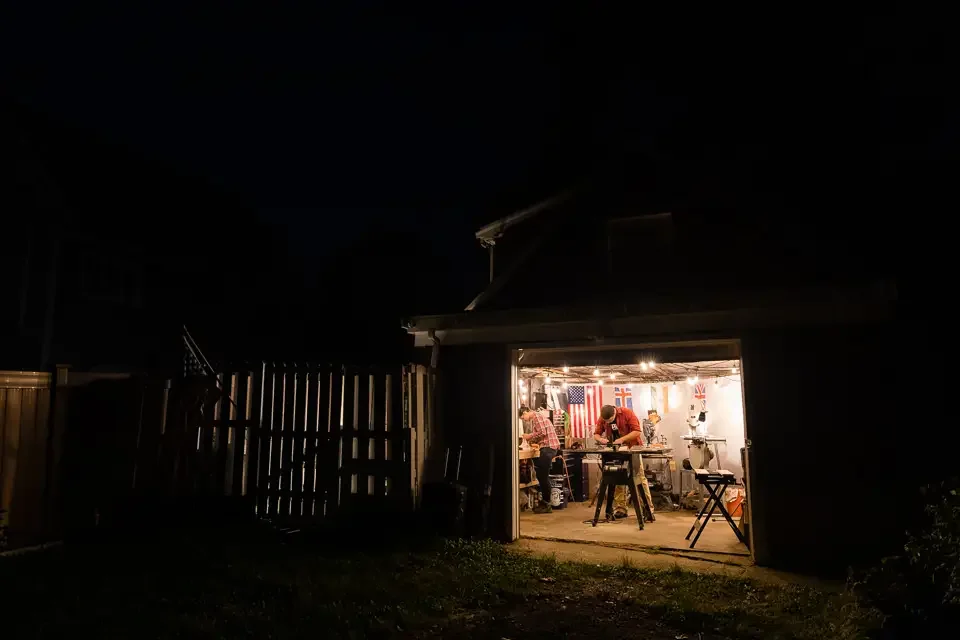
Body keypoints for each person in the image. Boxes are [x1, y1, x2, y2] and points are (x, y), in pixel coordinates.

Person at [593, 404, 655, 520]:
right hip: (615, 451)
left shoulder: (627, 413)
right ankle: (621, 508)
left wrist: (622, 439)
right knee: (618, 478)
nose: (608, 422)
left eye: (610, 420)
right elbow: (596, 434)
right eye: (606, 421)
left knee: (639, 478)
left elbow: (637, 431)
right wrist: (601, 439)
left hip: (632, 449)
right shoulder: (603, 417)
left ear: (615, 413)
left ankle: (648, 509)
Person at [519, 405, 561, 514]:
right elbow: (542, 434)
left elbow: (542, 433)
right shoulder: (538, 417)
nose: (524, 420)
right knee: (542, 476)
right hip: (548, 447)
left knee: (542, 477)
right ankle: (546, 503)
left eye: (523, 417)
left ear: (525, 413)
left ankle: (547, 504)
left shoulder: (536, 416)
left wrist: (529, 436)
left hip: (548, 448)